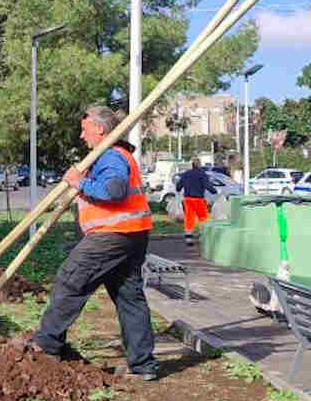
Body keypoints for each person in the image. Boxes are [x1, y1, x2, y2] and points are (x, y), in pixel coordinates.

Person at [27, 106, 159, 380]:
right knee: (129, 298)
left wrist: (79, 183)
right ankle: (142, 366)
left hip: (111, 235)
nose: (81, 135)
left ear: (100, 129)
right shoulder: (115, 155)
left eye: (85, 129)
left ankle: (46, 345)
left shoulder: (110, 155)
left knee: (70, 279)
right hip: (133, 234)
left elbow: (113, 191)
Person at [176, 158, 215, 248]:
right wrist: (214, 191)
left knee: (189, 219)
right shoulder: (202, 174)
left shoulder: (186, 174)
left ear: (192, 165)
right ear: (199, 165)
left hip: (188, 199)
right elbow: (207, 185)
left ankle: (189, 239)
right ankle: (204, 237)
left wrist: (179, 189)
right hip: (199, 200)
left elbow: (178, 186)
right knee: (203, 218)